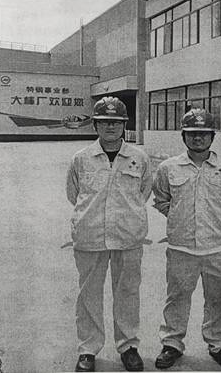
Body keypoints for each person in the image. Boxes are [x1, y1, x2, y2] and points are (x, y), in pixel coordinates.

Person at [151, 108, 221, 371]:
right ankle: (172, 344)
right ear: (183, 136)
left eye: (203, 133)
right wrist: (181, 219)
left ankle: (218, 344)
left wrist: (213, 220)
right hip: (181, 247)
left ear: (212, 136)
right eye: (192, 133)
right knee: (177, 297)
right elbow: (161, 200)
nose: (198, 138)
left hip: (217, 248)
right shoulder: (168, 168)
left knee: (218, 298)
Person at [66, 96, 152, 372]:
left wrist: (124, 215)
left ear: (124, 124)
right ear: (95, 125)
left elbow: (144, 192)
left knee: (127, 293)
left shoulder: (139, 158)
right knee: (88, 295)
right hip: (90, 235)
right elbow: (73, 193)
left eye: (116, 122)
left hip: (128, 235)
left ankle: (128, 346)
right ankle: (88, 349)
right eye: (104, 122)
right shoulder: (81, 158)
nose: (110, 127)